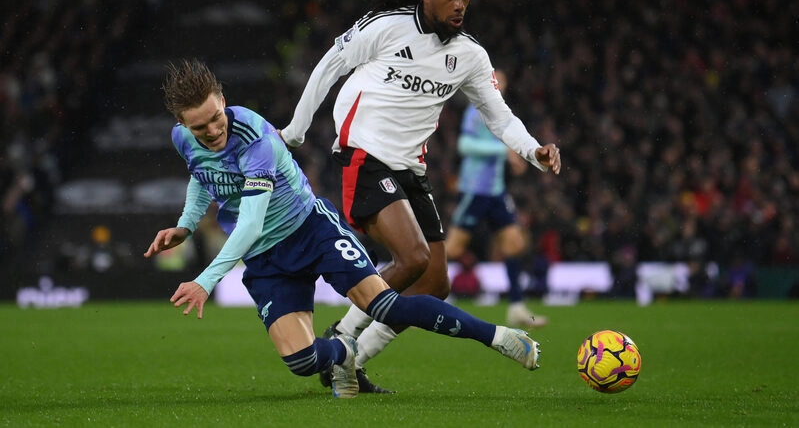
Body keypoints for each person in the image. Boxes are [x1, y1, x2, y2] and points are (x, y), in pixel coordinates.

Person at [144, 59, 543, 399]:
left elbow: (249, 223)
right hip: (267, 259)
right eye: (200, 128)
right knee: (301, 362)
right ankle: (345, 354)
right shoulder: (184, 139)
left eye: (216, 118)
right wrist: (186, 224)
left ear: (223, 102)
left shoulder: (255, 139)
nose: (213, 131)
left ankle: (500, 337)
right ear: (182, 124)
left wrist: (207, 279)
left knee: (387, 306)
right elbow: (201, 174)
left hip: (311, 230)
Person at [280, 0, 561, 393]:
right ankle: (341, 340)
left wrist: (533, 150)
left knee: (435, 281)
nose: (460, 5)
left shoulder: (470, 56)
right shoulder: (385, 26)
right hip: (364, 155)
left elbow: (499, 116)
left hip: (411, 168)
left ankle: (352, 359)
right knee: (412, 258)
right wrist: (295, 131)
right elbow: (330, 64)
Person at [445, 68, 548, 328]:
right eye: (495, 79)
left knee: (514, 242)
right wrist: (504, 152)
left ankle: (515, 306)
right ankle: (424, 295)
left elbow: (510, 142)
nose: (498, 84)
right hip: (474, 190)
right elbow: (464, 146)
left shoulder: (501, 114)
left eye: (502, 80)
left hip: (496, 191)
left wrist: (519, 157)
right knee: (453, 248)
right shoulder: (476, 110)